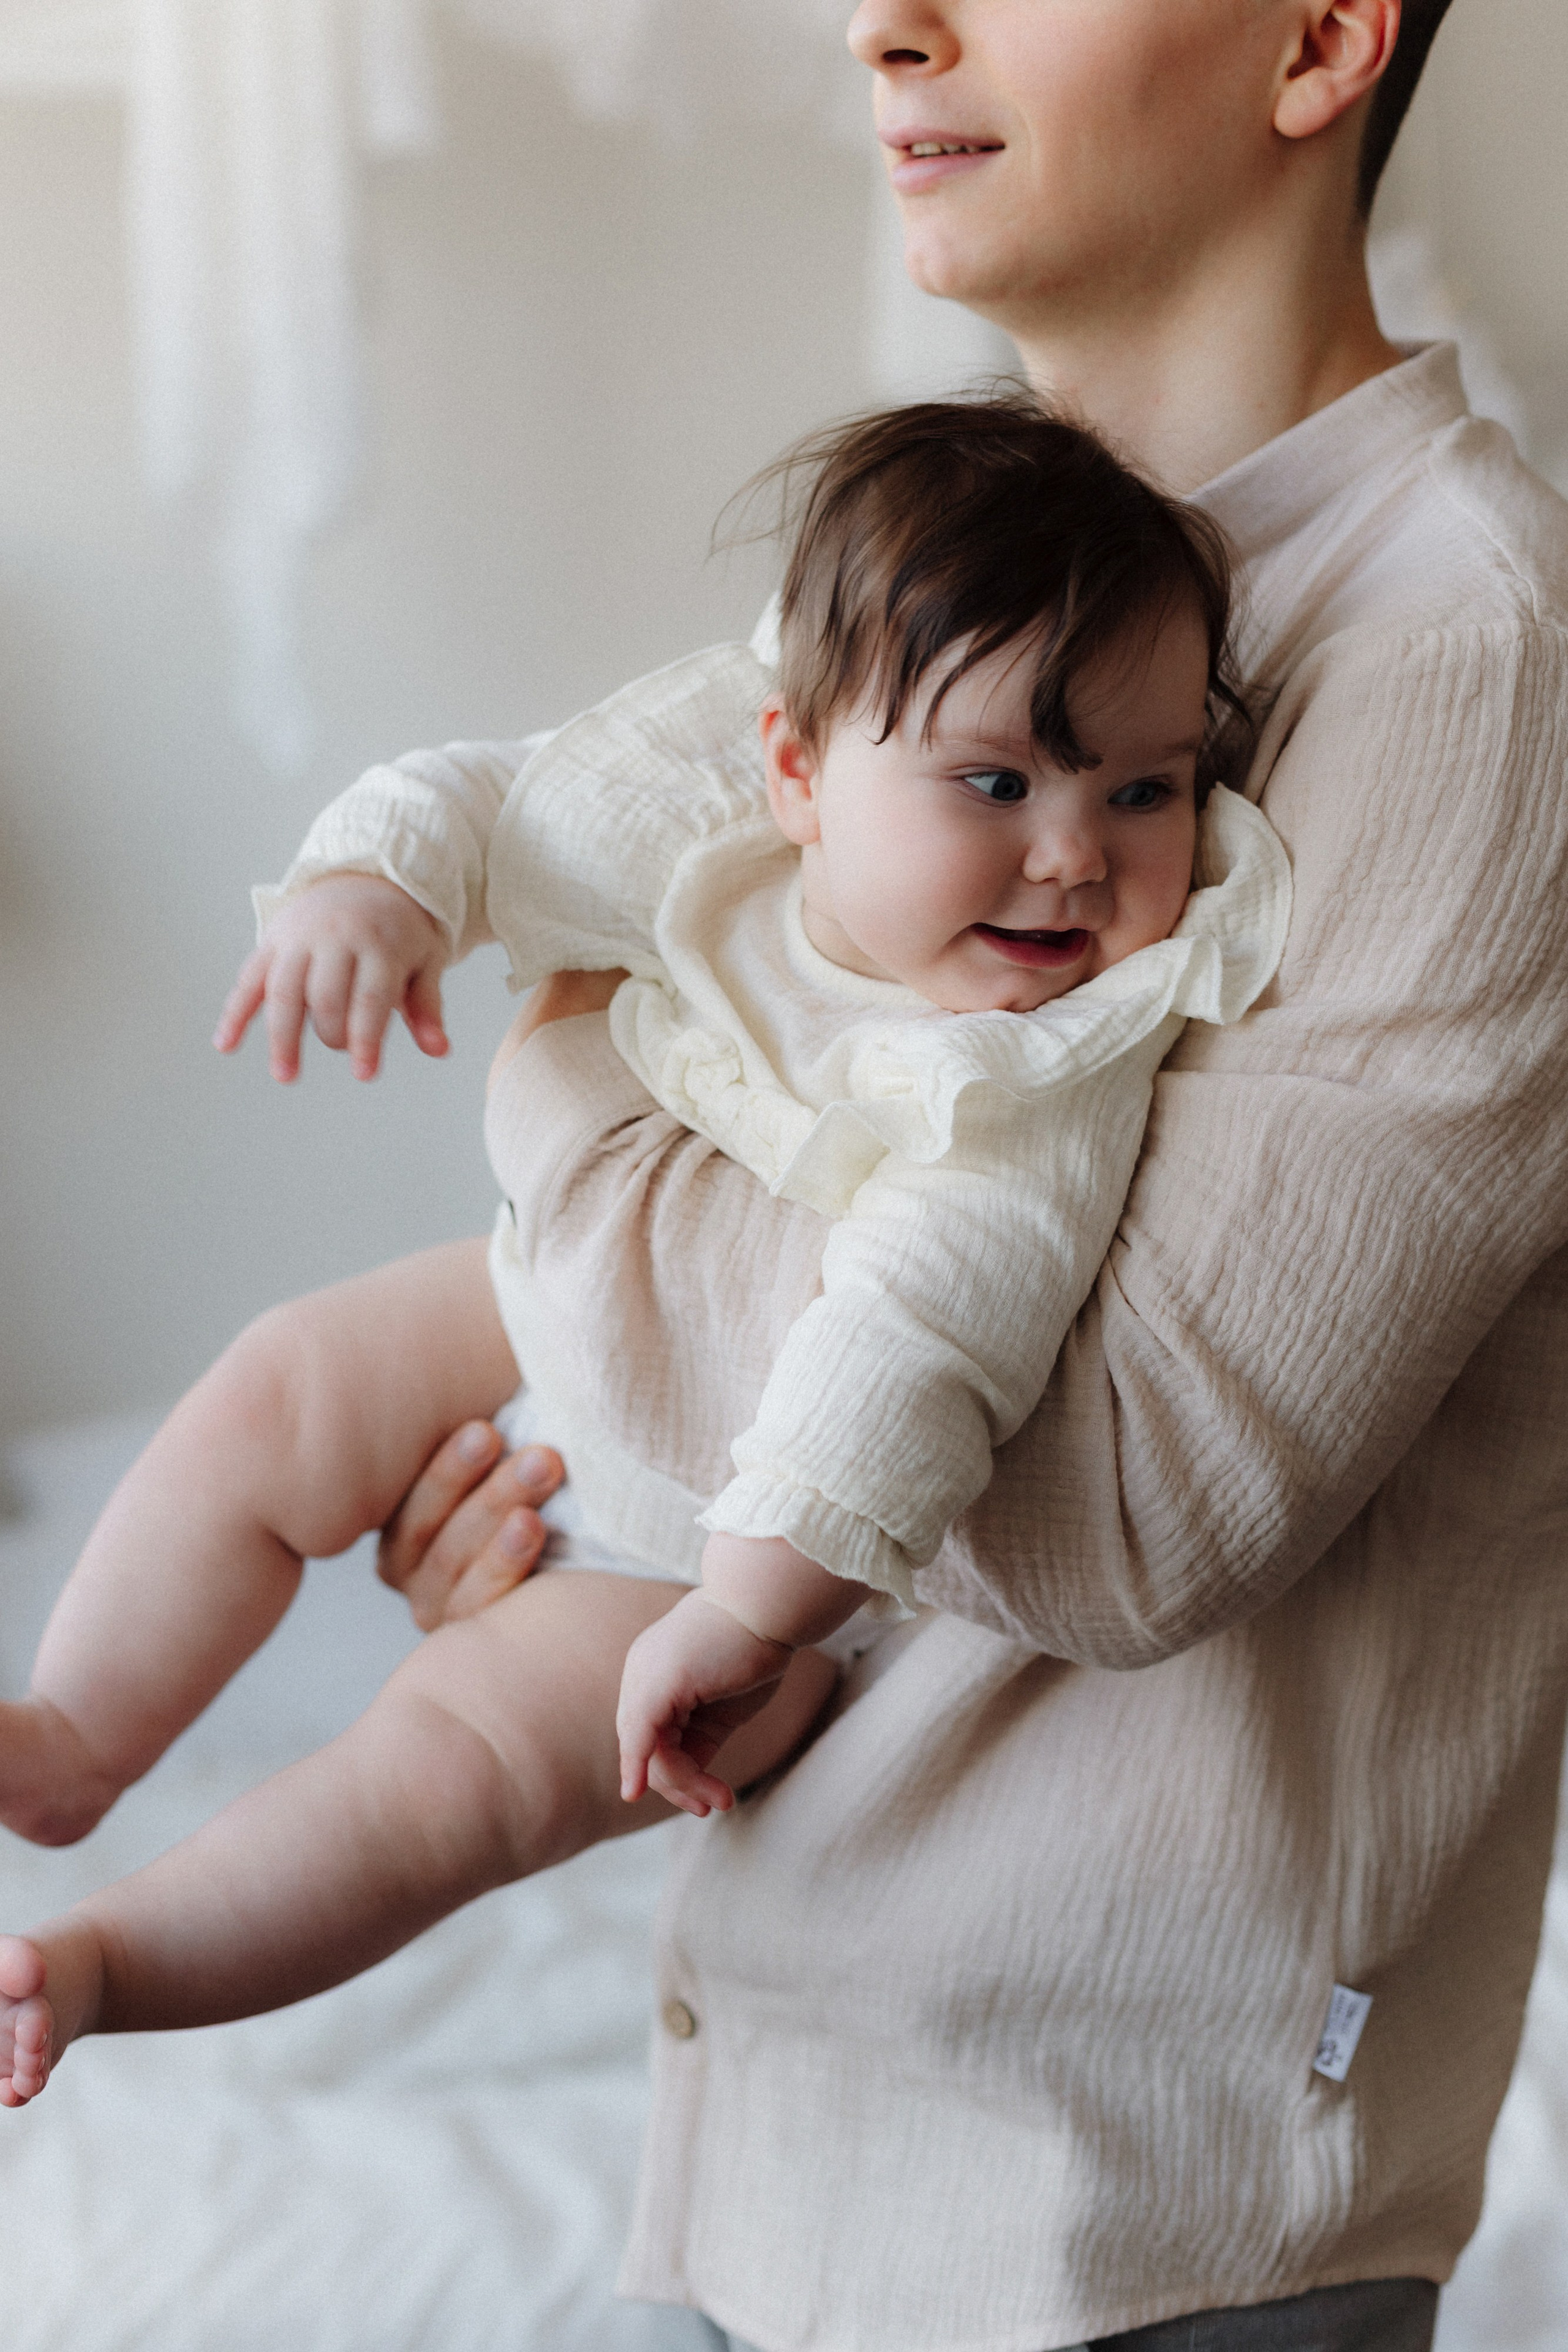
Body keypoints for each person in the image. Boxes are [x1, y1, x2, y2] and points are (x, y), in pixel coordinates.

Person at [330, 4, 1568, 2350]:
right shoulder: (953, 577)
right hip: (774, 2158)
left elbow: (1128, 1495)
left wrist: (560, 1126)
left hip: (1128, 2248)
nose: (891, 19)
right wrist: (609, 1497)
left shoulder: (1472, 656)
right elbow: (843, 1268)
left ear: (1321, 39)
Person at [0, 407, 1289, 2092]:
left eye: (1146, 788)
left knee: (447, 1778)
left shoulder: (1033, 1067)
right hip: (535, 1315)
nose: (1075, 855)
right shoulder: (718, 839)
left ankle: (102, 1966)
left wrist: (747, 1616)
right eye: (998, 780)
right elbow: (502, 805)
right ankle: (74, 1739)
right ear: (800, 776)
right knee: (283, 1384)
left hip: (693, 1552)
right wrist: (372, 887)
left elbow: (921, 1337)